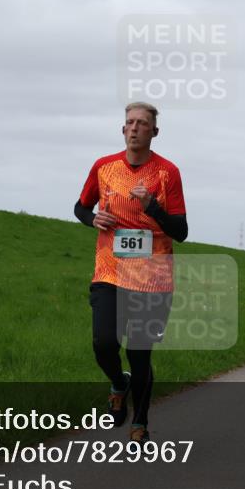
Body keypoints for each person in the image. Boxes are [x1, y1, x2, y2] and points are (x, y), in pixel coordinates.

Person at [74, 102, 187, 444]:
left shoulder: (168, 173)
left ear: (155, 132)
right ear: (123, 130)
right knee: (104, 342)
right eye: (130, 123)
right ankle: (118, 383)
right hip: (110, 270)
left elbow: (180, 230)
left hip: (152, 277)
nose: (135, 128)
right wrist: (92, 218)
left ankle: (140, 421)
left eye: (142, 123)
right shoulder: (103, 167)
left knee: (140, 352)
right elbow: (80, 206)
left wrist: (152, 206)